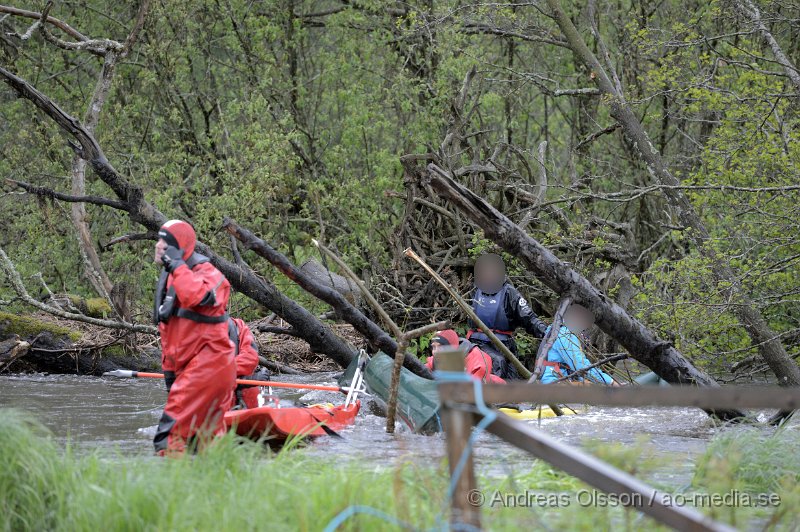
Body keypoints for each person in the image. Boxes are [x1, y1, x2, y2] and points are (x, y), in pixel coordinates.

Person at [152, 220, 237, 455]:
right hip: (193, 370)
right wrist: (171, 376)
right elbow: (171, 334)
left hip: (210, 368)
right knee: (203, 444)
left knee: (168, 438)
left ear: (179, 247)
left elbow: (199, 297)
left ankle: (172, 491)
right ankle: (213, 488)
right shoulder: (172, 277)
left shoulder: (209, 274)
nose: (158, 246)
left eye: (164, 242)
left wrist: (177, 266)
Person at [468, 253, 548, 380]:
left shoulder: (509, 293)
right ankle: (491, 398)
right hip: (478, 344)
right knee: (498, 363)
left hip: (504, 345)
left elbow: (529, 318)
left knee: (513, 378)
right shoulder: (474, 291)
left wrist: (547, 332)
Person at [539, 303, 618, 386]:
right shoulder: (565, 334)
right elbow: (580, 366)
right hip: (553, 382)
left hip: (558, 379)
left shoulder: (558, 328)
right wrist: (611, 382)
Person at [425, 329, 506, 384]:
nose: (435, 352)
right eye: (434, 347)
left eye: (440, 347)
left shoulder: (476, 361)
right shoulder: (438, 359)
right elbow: (423, 369)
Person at [227, 317, 271, 409]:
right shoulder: (194, 327)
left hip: (243, 402)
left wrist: (238, 377)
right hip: (214, 404)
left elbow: (250, 356)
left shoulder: (238, 326)